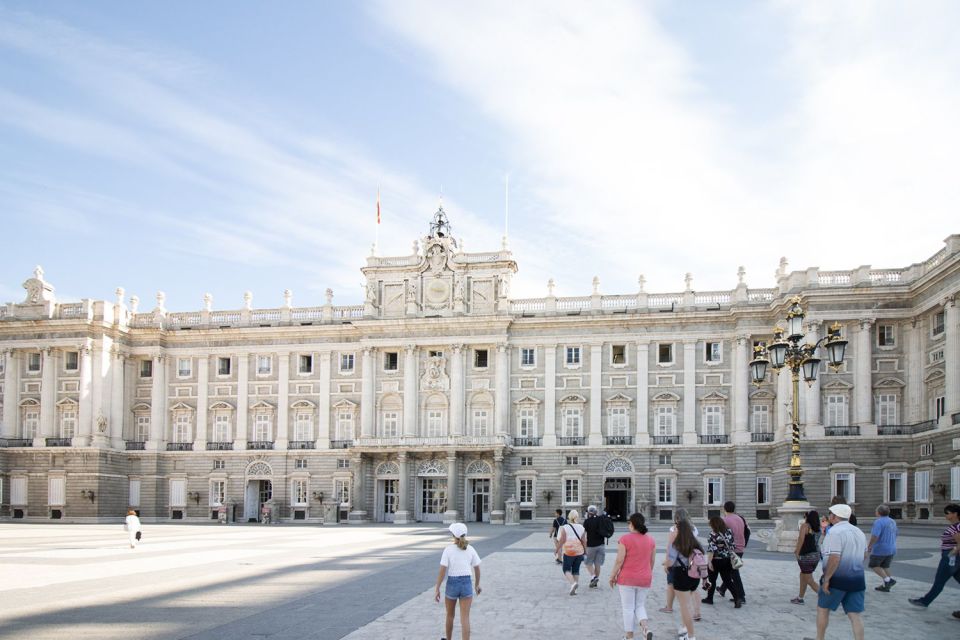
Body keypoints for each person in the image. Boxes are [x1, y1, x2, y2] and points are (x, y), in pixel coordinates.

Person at [814, 503, 866, 640]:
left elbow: (835, 558)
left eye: (830, 514)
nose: (829, 516)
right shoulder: (858, 532)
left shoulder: (835, 532)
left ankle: (820, 638)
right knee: (855, 615)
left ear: (835, 516)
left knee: (823, 609)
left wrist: (827, 579)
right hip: (857, 578)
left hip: (837, 578)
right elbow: (864, 555)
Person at [609, 512, 656, 640]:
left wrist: (612, 576)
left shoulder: (625, 539)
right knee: (640, 605)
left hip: (627, 578)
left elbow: (619, 560)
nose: (628, 524)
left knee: (628, 608)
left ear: (633, 524)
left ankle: (629, 636)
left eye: (629, 522)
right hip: (645, 577)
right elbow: (652, 561)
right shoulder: (651, 540)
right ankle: (645, 628)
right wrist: (646, 573)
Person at [434, 522, 482, 640]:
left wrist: (437, 588)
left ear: (453, 535)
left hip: (452, 584)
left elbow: (442, 571)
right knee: (465, 618)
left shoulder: (448, 550)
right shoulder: (470, 549)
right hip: (466, 583)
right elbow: (477, 568)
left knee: (450, 616)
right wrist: (476, 585)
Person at [908, 503, 960, 608]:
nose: (945, 515)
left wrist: (953, 551)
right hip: (953, 557)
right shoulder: (955, 526)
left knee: (940, 580)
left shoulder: (956, 527)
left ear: (955, 514)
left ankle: (925, 601)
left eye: (947, 513)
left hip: (950, 557)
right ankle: (925, 601)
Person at [663, 508, 703, 640]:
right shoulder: (694, 540)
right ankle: (685, 629)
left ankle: (690, 635)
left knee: (684, 606)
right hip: (694, 574)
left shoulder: (676, 540)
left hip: (681, 574)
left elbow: (671, 560)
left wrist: (665, 564)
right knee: (688, 604)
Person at [702, 516, 744, 608]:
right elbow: (733, 546)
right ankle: (737, 598)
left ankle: (709, 598)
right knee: (728, 580)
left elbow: (712, 549)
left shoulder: (713, 534)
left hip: (716, 560)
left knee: (712, 580)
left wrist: (709, 562)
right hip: (727, 560)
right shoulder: (728, 531)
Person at [717, 501, 747, 604]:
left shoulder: (725, 520)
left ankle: (741, 596)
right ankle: (722, 589)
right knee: (730, 570)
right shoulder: (739, 518)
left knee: (734, 573)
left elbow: (721, 536)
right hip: (741, 547)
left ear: (724, 509)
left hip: (731, 549)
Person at [792, 510, 821, 604]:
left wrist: (797, 551)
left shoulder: (805, 526)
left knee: (809, 579)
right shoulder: (818, 528)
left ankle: (826, 596)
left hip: (806, 556)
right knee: (803, 575)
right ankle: (800, 597)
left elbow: (801, 539)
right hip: (816, 555)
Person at [868, 504, 898, 591]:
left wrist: (870, 546)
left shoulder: (878, 522)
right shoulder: (892, 521)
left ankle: (888, 580)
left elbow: (875, 536)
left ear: (878, 512)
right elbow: (896, 533)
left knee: (874, 565)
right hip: (891, 547)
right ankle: (886, 586)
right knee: (885, 566)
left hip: (880, 549)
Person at [557, 509, 587, 595]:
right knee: (576, 569)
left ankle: (573, 583)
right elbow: (584, 541)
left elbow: (562, 540)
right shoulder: (581, 527)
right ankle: (575, 590)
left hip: (569, 552)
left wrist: (556, 549)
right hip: (579, 552)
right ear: (577, 517)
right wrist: (585, 551)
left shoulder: (565, 527)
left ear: (569, 517)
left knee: (566, 569)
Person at [583, 505, 612, 588]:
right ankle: (595, 582)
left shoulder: (587, 521)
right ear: (596, 512)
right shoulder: (601, 519)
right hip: (601, 545)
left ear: (588, 512)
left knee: (588, 563)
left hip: (591, 546)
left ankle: (594, 577)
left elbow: (584, 535)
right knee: (597, 564)